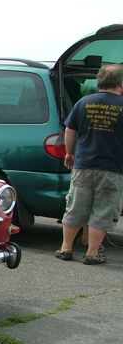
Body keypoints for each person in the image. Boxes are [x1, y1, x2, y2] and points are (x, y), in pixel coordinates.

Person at [55, 64, 123, 265]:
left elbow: (70, 130)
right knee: (103, 211)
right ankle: (92, 253)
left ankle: (66, 248)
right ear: (121, 83)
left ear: (100, 81)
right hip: (113, 169)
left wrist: (70, 153)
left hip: (83, 165)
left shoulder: (83, 102)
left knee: (75, 207)